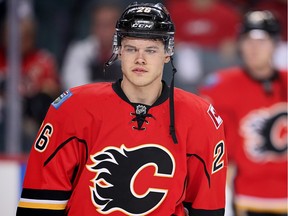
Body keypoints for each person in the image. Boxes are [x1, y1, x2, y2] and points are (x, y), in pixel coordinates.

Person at [16, 2, 227, 215]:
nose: (140, 59)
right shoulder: (73, 109)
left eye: (151, 50)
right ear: (118, 50)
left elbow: (207, 209)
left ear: (167, 53)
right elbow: (40, 204)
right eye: (131, 48)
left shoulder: (200, 118)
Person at [199, 10, 287, 216]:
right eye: (248, 40)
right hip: (245, 199)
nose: (254, 48)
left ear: (275, 44)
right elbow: (216, 151)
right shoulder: (220, 86)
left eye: (262, 41)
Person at [0, 15, 60, 152]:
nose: (16, 41)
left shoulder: (43, 60)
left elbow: (51, 91)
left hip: (28, 119)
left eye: (23, 36)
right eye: (11, 35)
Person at [61, 1, 123, 89]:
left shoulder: (130, 52)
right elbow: (76, 88)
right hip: (86, 101)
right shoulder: (79, 50)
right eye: (98, 24)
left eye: (108, 25)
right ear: (91, 27)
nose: (103, 31)